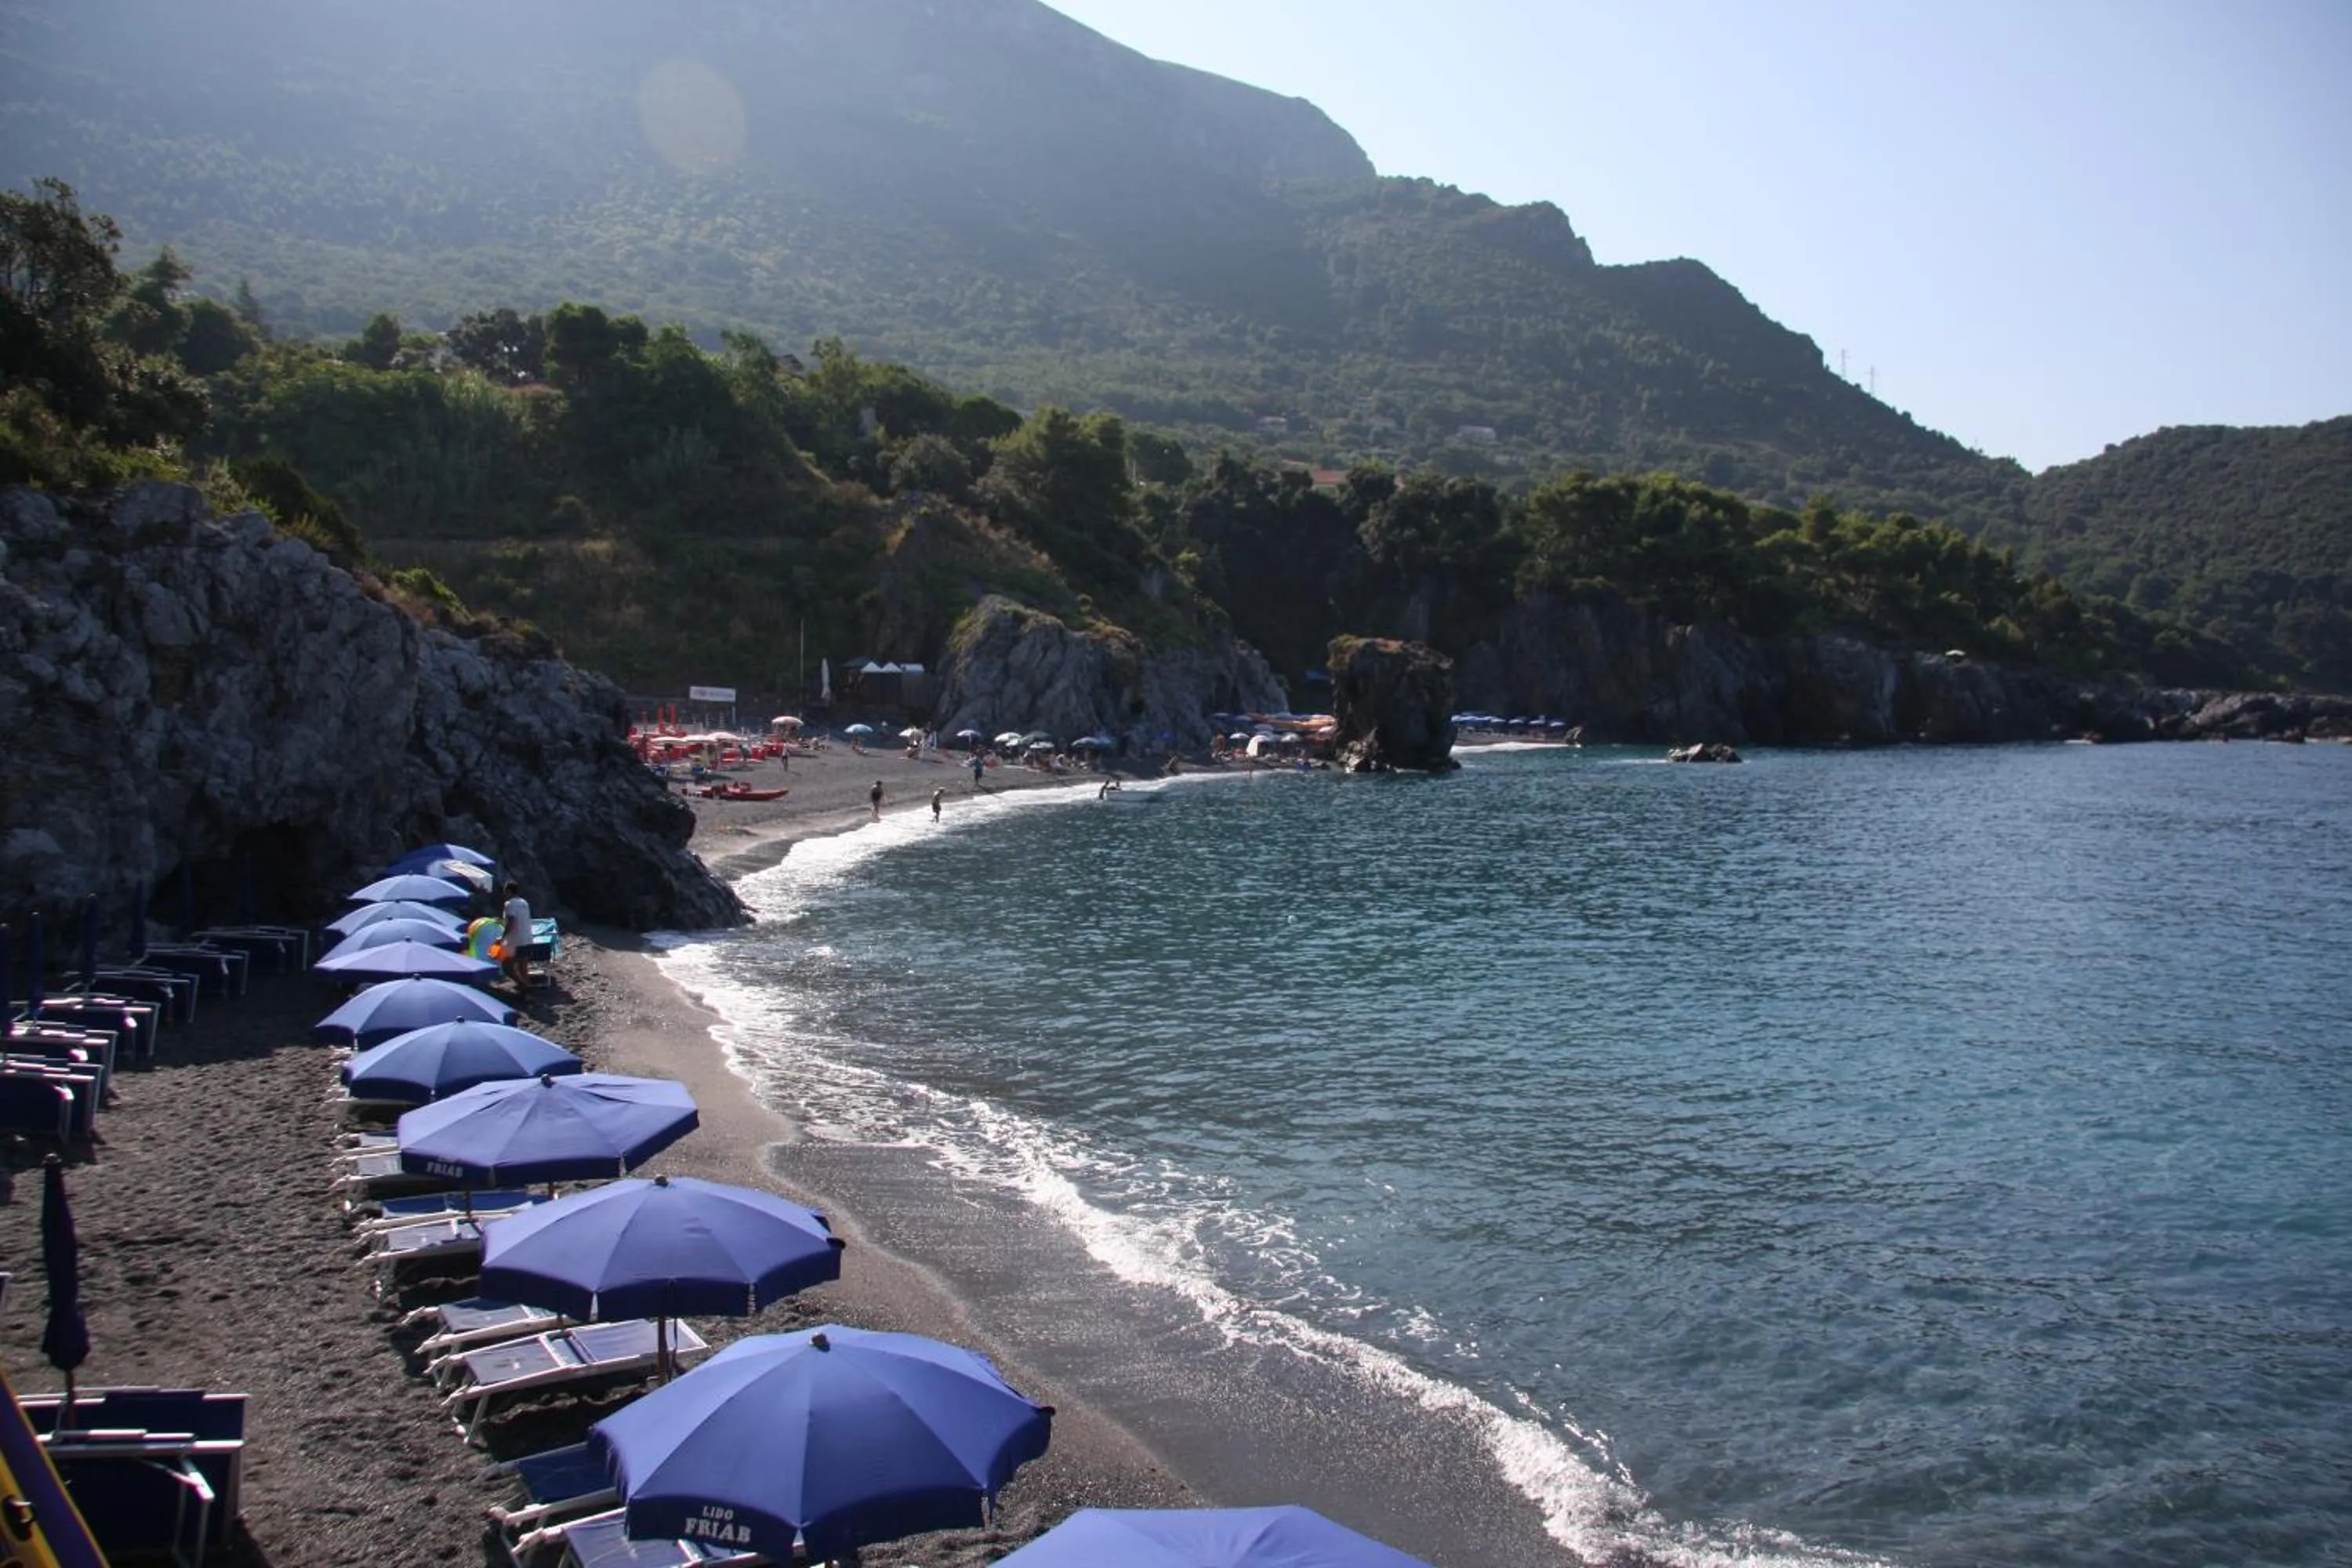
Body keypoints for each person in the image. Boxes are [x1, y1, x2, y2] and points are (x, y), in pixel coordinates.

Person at [497, 880, 532, 993]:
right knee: (523, 966)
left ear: (508, 890)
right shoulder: (524, 902)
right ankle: (527, 990)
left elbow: (511, 922)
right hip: (527, 938)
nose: (504, 893)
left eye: (505, 891)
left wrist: (502, 938)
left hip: (516, 941)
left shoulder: (509, 904)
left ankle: (523, 986)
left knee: (506, 966)